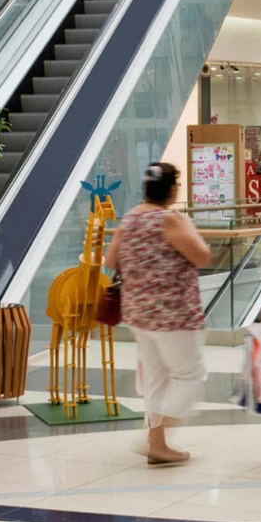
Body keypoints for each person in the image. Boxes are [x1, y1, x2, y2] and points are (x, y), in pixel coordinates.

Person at [104, 162, 211, 465]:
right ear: (172, 188)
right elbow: (202, 256)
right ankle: (155, 433)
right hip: (173, 314)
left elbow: (111, 260)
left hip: (139, 313)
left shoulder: (130, 219)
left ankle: (158, 445)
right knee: (190, 375)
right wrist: (186, 225)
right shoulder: (169, 220)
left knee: (156, 381)